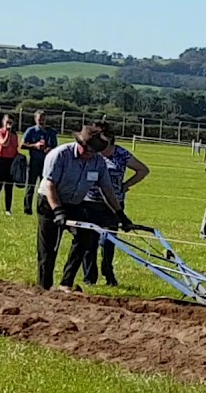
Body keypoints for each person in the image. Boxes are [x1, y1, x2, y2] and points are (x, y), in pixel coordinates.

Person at [35, 125, 133, 292]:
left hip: (74, 203)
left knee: (84, 238)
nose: (91, 155)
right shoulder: (59, 155)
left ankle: (66, 283)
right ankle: (44, 287)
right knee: (48, 248)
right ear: (80, 144)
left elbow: (107, 189)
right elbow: (50, 185)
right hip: (49, 203)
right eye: (89, 151)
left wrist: (119, 214)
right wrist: (58, 211)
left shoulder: (98, 162)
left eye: (95, 152)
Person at [81, 125, 150, 287]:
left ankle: (108, 273)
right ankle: (89, 277)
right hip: (91, 202)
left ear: (109, 138)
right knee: (89, 242)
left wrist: (125, 185)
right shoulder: (93, 154)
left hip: (114, 205)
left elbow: (143, 170)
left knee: (108, 241)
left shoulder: (121, 154)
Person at [21, 110, 58, 215]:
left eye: (43, 119)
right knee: (31, 186)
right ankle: (27, 209)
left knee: (45, 187)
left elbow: (55, 147)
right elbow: (22, 145)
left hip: (47, 164)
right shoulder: (31, 131)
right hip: (34, 162)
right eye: (39, 119)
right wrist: (35, 146)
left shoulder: (51, 132)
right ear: (35, 119)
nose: (41, 121)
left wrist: (50, 150)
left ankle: (43, 208)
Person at [0, 114, 20, 215]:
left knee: (9, 187)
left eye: (11, 122)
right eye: (7, 122)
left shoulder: (15, 135)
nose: (9, 124)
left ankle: (8, 209)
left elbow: (15, 148)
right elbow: (5, 143)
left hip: (10, 162)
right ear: (3, 122)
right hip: (0, 161)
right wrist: (7, 132)